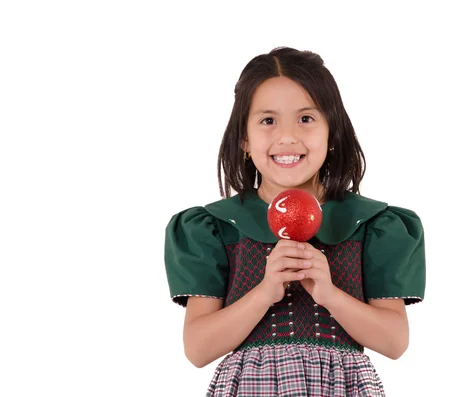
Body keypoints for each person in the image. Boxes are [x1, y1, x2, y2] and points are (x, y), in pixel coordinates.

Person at [164, 47, 426, 396]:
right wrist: (264, 293)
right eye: (267, 120)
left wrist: (331, 295)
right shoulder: (215, 226)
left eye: (306, 118)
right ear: (244, 139)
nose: (287, 137)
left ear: (332, 132)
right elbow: (197, 349)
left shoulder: (373, 224)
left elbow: (394, 342)